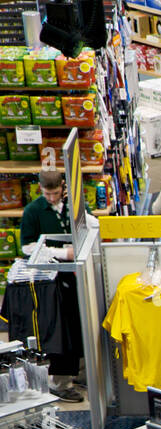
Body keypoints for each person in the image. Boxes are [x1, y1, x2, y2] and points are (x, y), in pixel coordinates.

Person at [19, 171, 81, 401]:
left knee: (79, 325)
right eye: (48, 194)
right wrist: (60, 252)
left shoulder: (73, 205)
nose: (52, 198)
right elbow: (26, 247)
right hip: (51, 281)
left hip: (77, 276)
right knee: (61, 332)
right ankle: (60, 382)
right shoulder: (33, 211)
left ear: (63, 187)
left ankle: (81, 373)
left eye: (56, 193)